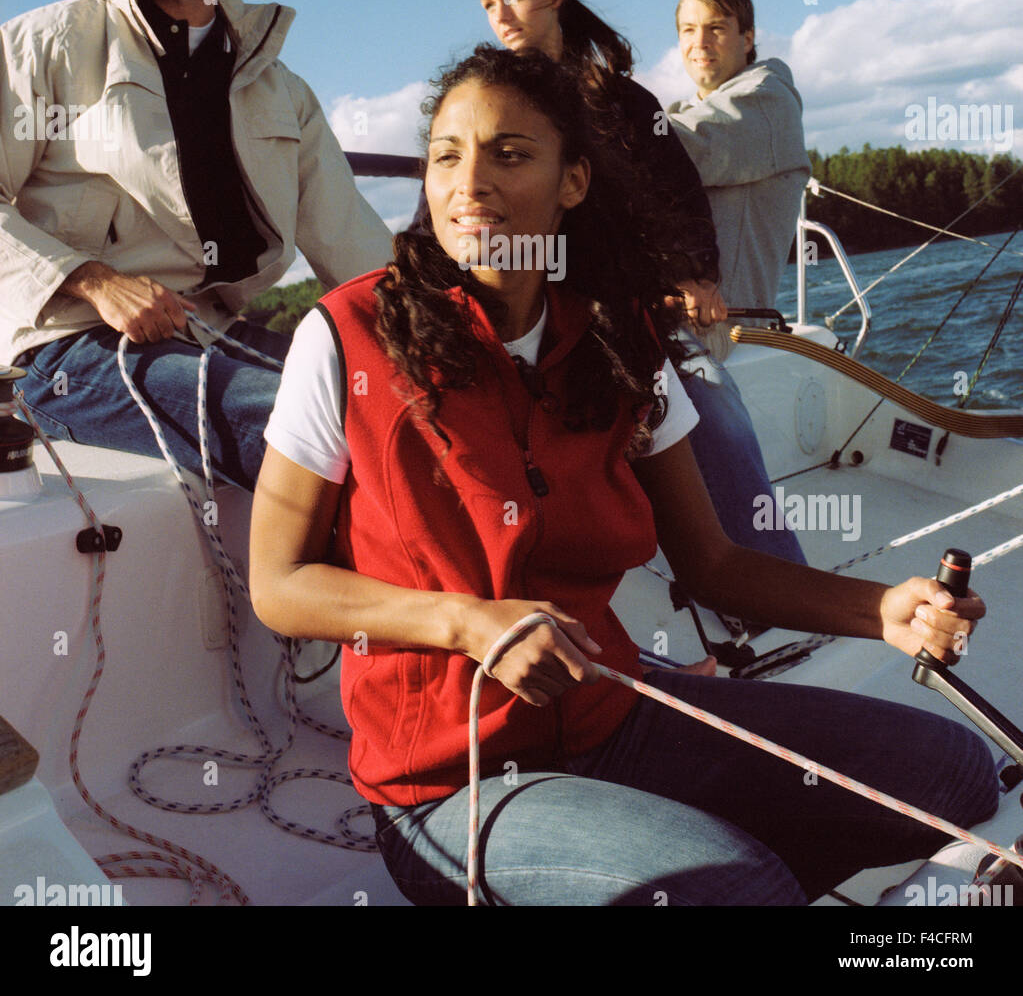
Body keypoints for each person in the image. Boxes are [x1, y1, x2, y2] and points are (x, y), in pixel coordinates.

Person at [249, 46, 996, 906]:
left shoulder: (617, 342)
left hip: (617, 720)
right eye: (447, 154)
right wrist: (465, 623)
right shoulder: (347, 335)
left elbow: (712, 566)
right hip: (451, 786)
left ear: (572, 182)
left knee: (950, 771)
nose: (469, 182)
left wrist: (882, 613)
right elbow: (279, 582)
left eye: (510, 153)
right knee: (737, 890)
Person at [1, 0, 390, 490]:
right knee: (321, 437)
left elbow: (355, 248)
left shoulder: (278, 86)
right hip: (74, 350)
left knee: (400, 411)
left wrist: (457, 345)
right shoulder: (53, 43)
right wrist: (92, 279)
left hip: (211, 338)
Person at [472, 0, 804, 565]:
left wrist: (697, 272)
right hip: (576, 310)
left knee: (707, 402)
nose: (502, 14)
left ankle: (775, 578)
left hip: (666, 312)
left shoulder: (750, 98)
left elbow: (675, 171)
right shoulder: (516, 100)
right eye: (489, 4)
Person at [669, 0, 812, 353]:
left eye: (715, 28)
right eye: (688, 29)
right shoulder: (683, 112)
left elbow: (672, 152)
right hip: (668, 326)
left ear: (747, 38)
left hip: (723, 339)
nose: (699, 42)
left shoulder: (766, 100)